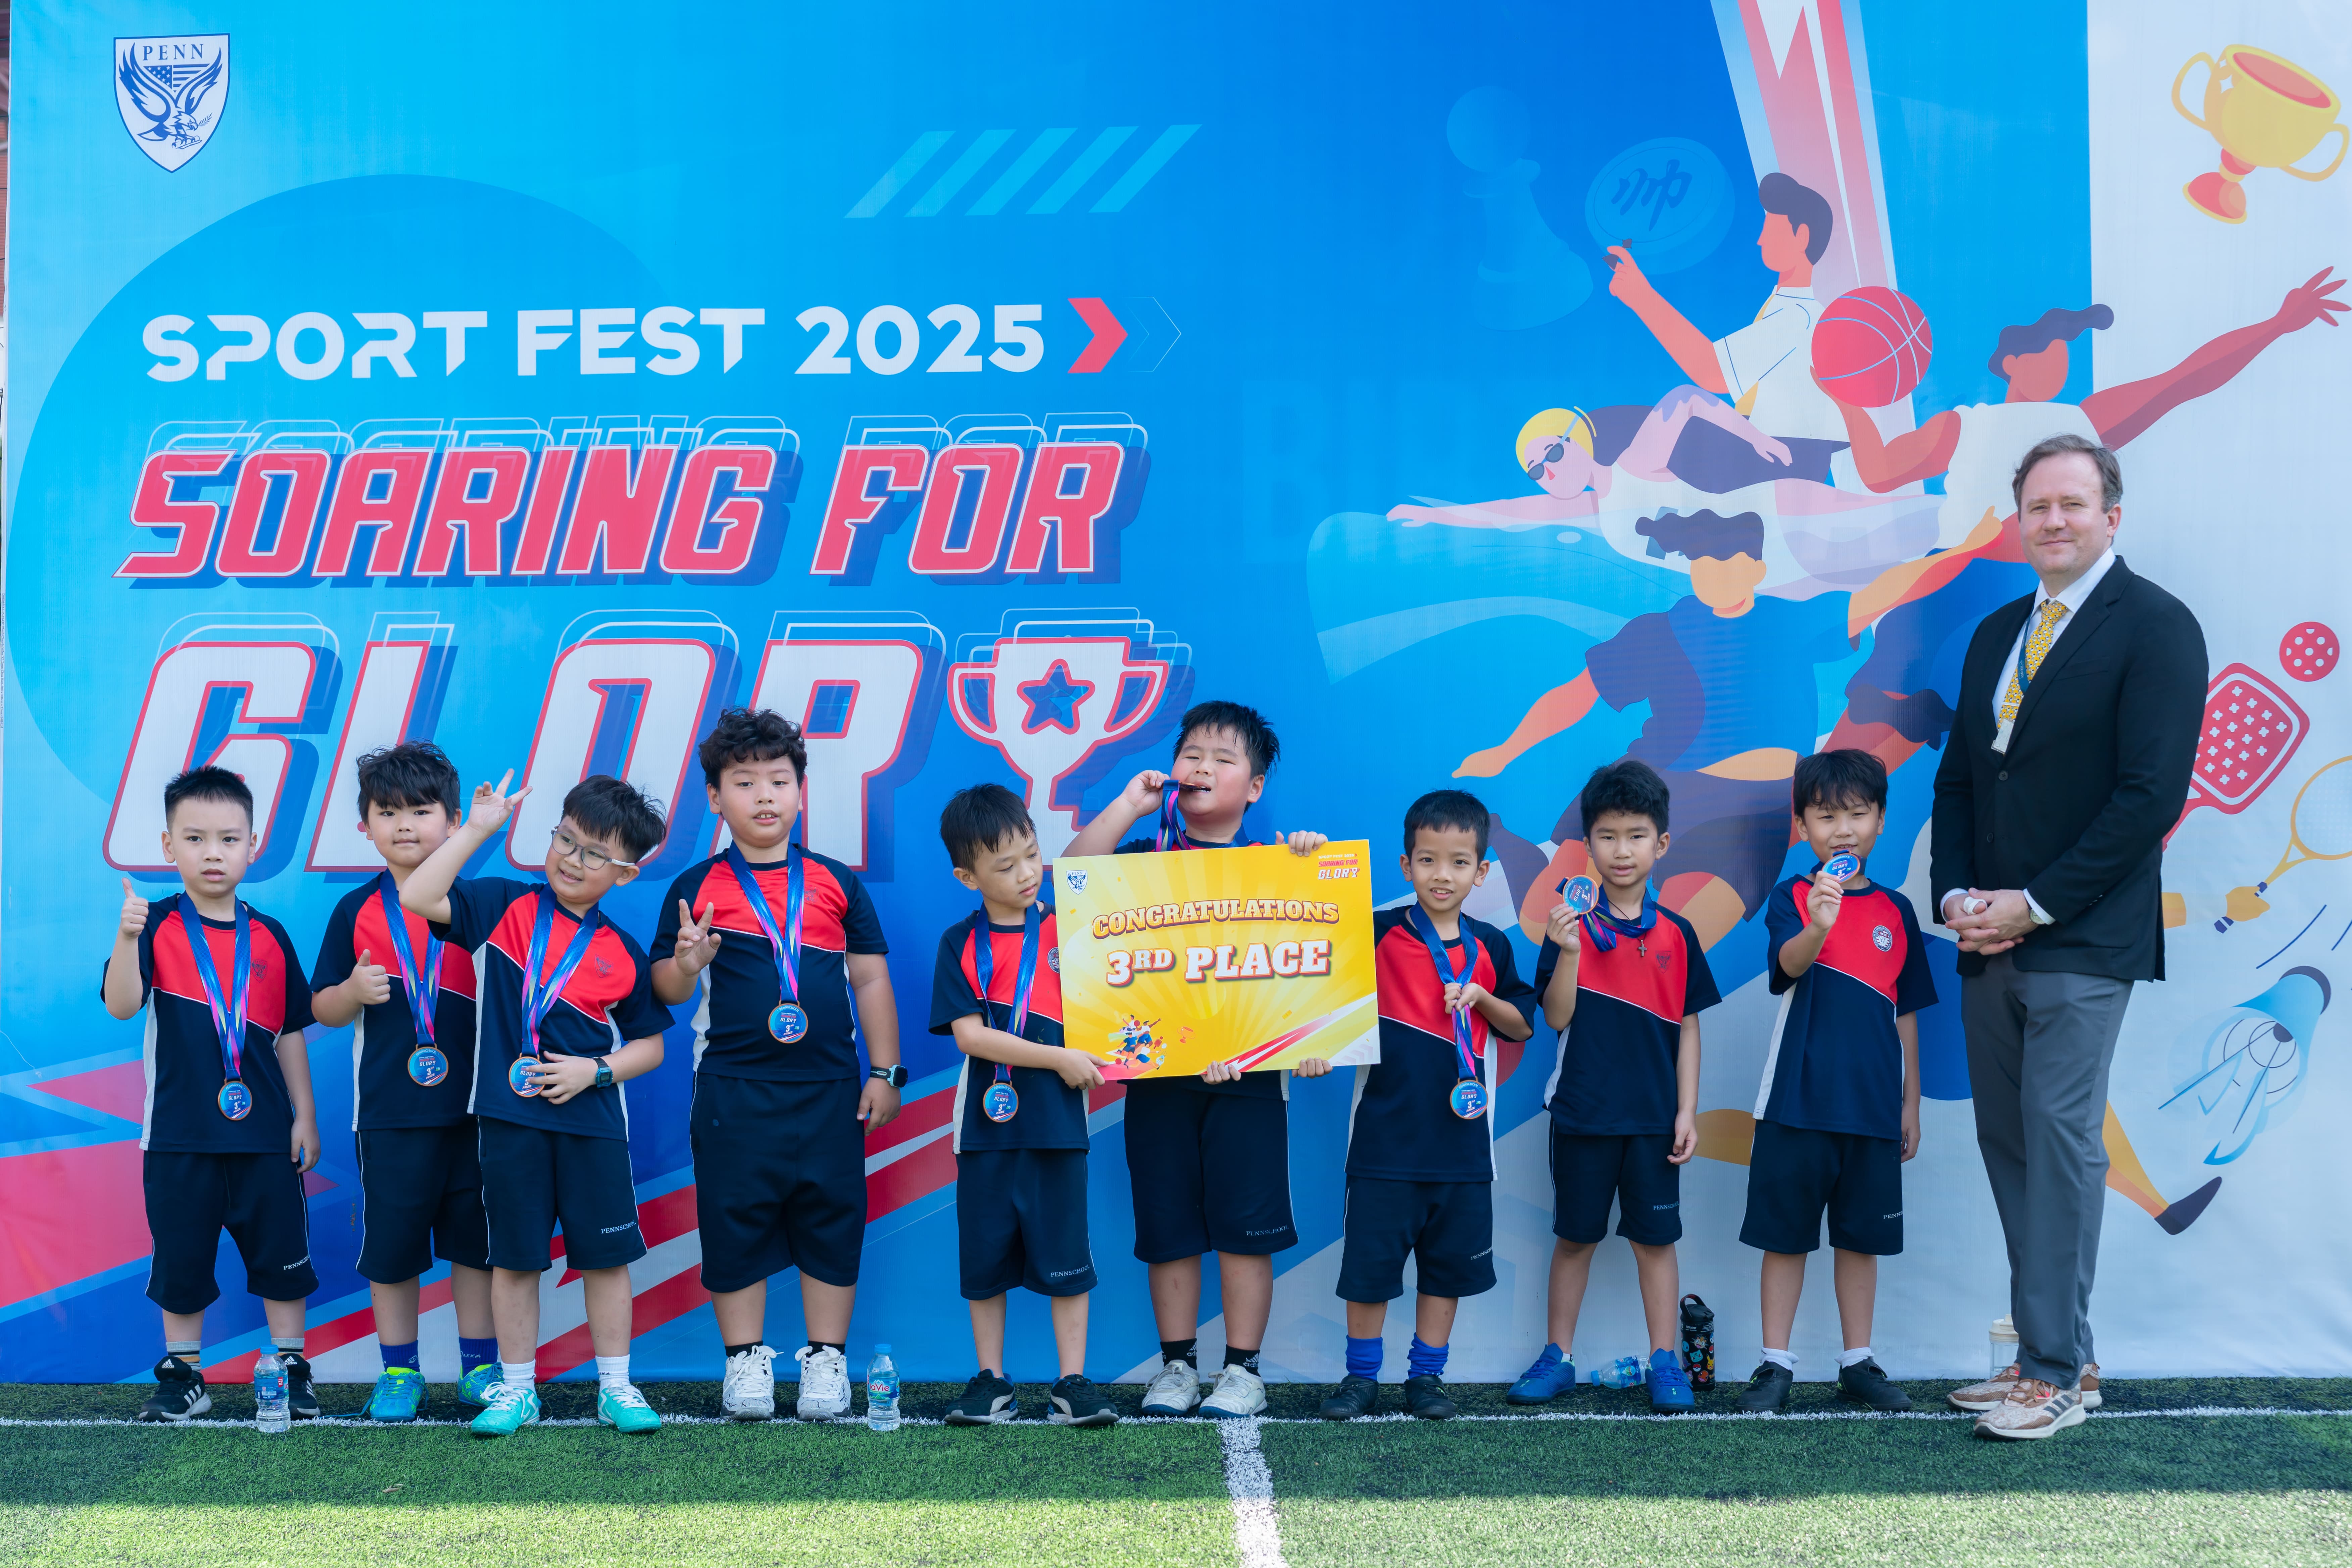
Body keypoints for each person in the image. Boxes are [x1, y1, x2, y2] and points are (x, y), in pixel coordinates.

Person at [1933, 434, 2205, 1440]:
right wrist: (1955, 897)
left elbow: (2148, 799)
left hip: (2082, 939)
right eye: (2037, 506)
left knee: (2055, 1139)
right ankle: (2062, 1355)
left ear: (2109, 517)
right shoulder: (1996, 632)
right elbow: (1961, 781)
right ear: (2019, 521)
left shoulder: (2157, 627)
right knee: (2011, 1144)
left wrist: (2034, 904)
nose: (2053, 520)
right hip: (1985, 939)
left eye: (2072, 504)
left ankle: (2047, 1374)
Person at [1063, 700, 1327, 1419]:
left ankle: (1243, 1370)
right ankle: (1176, 1367)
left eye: (1223, 759)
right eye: (1192, 755)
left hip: (1249, 1080)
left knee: (1246, 1228)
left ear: (1256, 787)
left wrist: (1311, 862)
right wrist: (1129, 803)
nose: (1202, 768)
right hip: (1157, 1079)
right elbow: (1072, 879)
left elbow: (1315, 974)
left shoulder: (1281, 866)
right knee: (1169, 1226)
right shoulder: (1139, 861)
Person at [401, 772, 677, 1438]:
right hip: (510, 1119)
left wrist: (596, 1070)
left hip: (594, 1127)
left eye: (594, 854)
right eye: (566, 839)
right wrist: (478, 828)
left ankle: (616, 1386)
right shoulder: (504, 906)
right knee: (515, 1259)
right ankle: (519, 1388)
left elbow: (650, 1046)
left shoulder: (620, 950)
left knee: (605, 1259)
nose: (571, 859)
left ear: (626, 874)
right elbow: (418, 894)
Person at [652, 708, 904, 1422]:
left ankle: (826, 1359)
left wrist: (885, 1071)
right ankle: (745, 1361)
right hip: (732, 1089)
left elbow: (870, 979)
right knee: (733, 1218)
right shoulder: (697, 886)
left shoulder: (834, 882)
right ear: (714, 797)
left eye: (779, 780)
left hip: (830, 1089)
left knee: (833, 1217)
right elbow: (665, 990)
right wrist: (687, 961)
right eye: (744, 782)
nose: (764, 795)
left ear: (800, 790)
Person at [106, 765, 322, 1423]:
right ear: (168, 846)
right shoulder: (155, 925)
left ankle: (291, 1366)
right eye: (194, 838)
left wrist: (305, 1116)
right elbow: (122, 1005)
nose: (212, 852)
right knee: (183, 1261)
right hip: (179, 1137)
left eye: (229, 839)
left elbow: (289, 1032)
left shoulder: (271, 935)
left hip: (265, 1136)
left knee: (282, 1259)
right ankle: (184, 1375)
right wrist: (126, 936)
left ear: (252, 845)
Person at [1508, 760, 1715, 1415]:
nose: (1621, 850)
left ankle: (1665, 1361)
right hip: (1583, 1114)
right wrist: (1568, 952)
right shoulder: (1568, 925)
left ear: (1661, 843)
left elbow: (1688, 1026)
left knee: (1656, 1242)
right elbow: (1556, 1017)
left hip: (1654, 1120)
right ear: (1588, 845)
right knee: (1575, 1238)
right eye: (1607, 836)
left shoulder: (1678, 933)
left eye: (1635, 835)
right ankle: (1557, 1356)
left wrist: (1687, 1110)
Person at [1318, 790, 1532, 1421]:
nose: (1443, 875)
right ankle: (1360, 1379)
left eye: (1459, 862)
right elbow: (1311, 964)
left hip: (1463, 1147)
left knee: (1446, 1272)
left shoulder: (1492, 945)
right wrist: (1307, 860)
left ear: (1481, 872)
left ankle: (1426, 1377)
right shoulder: (1376, 932)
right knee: (1369, 1271)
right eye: (1429, 860)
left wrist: (1482, 997)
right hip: (1382, 1143)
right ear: (1406, 864)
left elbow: (1521, 1025)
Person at [1735, 749, 1932, 1415]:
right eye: (1825, 816)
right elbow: (1786, 968)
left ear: (1880, 820)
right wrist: (1820, 921)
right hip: (1796, 1102)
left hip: (1872, 1109)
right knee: (1785, 1236)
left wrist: (1909, 1102)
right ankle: (1774, 1362)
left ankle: (1857, 1361)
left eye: (1856, 814)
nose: (1842, 829)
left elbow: (1905, 1012)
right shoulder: (1793, 896)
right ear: (1802, 826)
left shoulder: (1897, 911)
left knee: (1860, 1239)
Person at [308, 742, 496, 1422]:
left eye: (421, 810)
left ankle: (481, 1366)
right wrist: (352, 992)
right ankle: (398, 1370)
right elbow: (321, 1007)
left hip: (477, 1109)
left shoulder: (483, 904)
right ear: (365, 826)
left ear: (454, 820)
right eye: (388, 812)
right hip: (389, 1114)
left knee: (476, 1247)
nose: (406, 824)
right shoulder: (355, 910)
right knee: (392, 1249)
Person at [931, 784, 1116, 1428]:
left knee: (1068, 1253)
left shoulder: (1072, 925)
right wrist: (1058, 1057)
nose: (1026, 873)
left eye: (1032, 855)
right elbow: (970, 1037)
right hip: (984, 1124)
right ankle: (992, 1381)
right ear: (967, 877)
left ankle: (1072, 1381)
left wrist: (1129, 803)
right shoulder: (959, 942)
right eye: (1005, 865)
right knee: (985, 1259)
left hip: (1059, 1123)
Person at [1606, 173, 1852, 484]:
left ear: (1801, 237)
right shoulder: (1785, 306)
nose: (1760, 239)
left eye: (1770, 229)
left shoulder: (1798, 316)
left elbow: (1713, 373)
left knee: (1671, 411)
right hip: (1773, 448)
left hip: (1782, 457)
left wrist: (1642, 297)